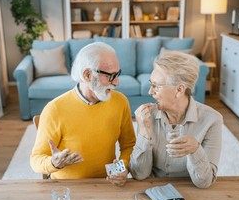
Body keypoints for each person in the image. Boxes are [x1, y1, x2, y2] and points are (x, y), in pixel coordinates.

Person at [30, 42, 135, 186]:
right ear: (87, 75)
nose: (116, 82)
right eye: (110, 76)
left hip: (108, 185)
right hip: (67, 187)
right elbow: (36, 160)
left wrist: (122, 168)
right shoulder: (54, 109)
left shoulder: (120, 101)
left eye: (117, 74)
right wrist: (54, 162)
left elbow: (129, 145)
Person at [130, 51, 223, 188]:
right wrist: (144, 132)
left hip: (190, 193)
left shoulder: (212, 120)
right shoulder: (148, 116)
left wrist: (195, 150)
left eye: (156, 86)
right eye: (151, 84)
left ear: (179, 90)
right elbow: (139, 174)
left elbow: (204, 182)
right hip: (152, 191)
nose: (150, 92)